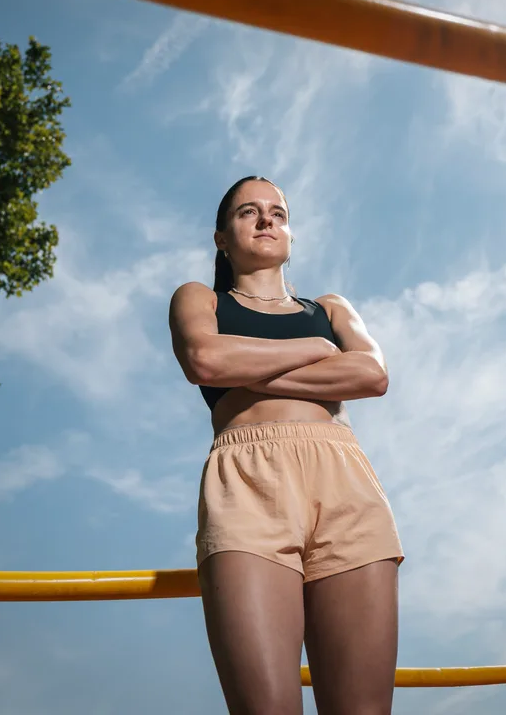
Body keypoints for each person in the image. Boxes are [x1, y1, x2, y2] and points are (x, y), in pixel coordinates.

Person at [168, 175, 404, 715]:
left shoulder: (331, 308)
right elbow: (205, 360)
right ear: (221, 238)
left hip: (344, 480)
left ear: (290, 233)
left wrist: (247, 371)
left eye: (278, 212)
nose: (266, 219)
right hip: (248, 478)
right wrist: (317, 350)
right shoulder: (200, 299)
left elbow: (372, 375)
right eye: (248, 212)